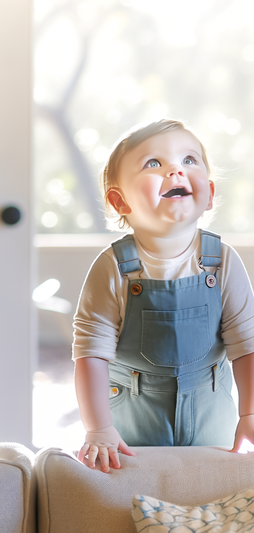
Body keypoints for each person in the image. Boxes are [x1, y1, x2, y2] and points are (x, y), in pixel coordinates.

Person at [73, 119, 254, 473]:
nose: (175, 170)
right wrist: (99, 429)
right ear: (118, 200)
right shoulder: (112, 267)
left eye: (189, 160)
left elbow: (246, 346)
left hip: (212, 422)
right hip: (133, 428)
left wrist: (249, 413)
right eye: (154, 164)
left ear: (210, 193)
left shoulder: (223, 262)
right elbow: (90, 355)